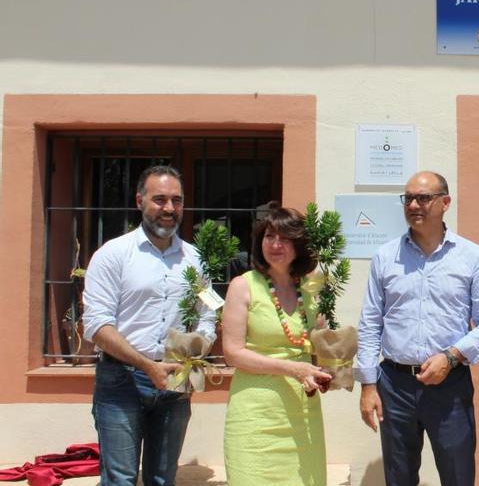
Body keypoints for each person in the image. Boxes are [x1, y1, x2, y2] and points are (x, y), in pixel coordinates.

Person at [355, 171, 479, 486]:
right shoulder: (385, 257)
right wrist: (368, 385)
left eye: (423, 198)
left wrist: (451, 357)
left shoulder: (471, 256)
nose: (413, 205)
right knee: (399, 478)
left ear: (445, 202)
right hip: (394, 385)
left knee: (458, 475)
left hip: (449, 385)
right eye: (408, 198)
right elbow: (370, 324)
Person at [83, 165, 217, 486]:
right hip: (121, 382)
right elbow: (97, 324)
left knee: (162, 478)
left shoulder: (196, 260)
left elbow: (209, 312)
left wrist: (196, 353)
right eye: (160, 200)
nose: (169, 209)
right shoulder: (113, 255)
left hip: (175, 382)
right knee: (120, 480)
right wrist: (147, 365)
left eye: (176, 200)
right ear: (140, 200)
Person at [222, 205, 332, 485]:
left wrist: (324, 348)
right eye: (269, 236)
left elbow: (311, 352)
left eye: (284, 237)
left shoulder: (308, 289)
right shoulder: (243, 285)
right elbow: (232, 354)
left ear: (299, 245)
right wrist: (292, 368)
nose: (275, 244)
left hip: (301, 414)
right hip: (256, 414)